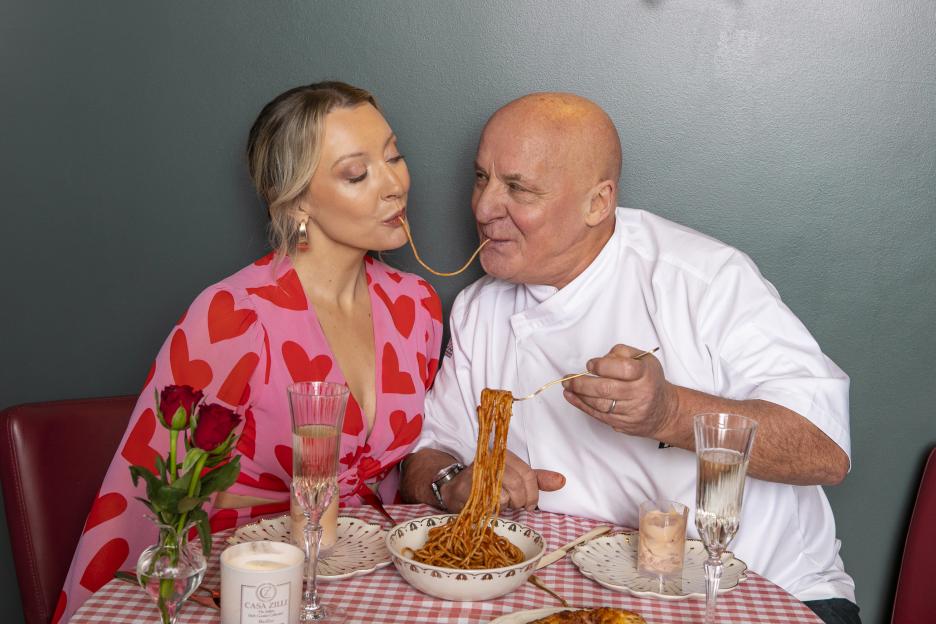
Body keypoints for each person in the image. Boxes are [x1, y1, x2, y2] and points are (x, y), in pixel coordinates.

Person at [400, 92, 859, 624]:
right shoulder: (480, 309)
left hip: (759, 590)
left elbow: (827, 450)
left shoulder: (702, 279)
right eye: (482, 178)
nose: (482, 208)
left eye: (518, 188)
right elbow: (426, 456)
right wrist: (456, 479)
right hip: (577, 595)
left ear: (598, 203)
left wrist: (669, 413)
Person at [58, 81, 442, 622]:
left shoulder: (416, 306)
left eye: (394, 156)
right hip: (250, 589)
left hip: (374, 585)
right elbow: (156, 495)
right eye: (357, 173)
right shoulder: (232, 317)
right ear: (297, 199)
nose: (394, 185)